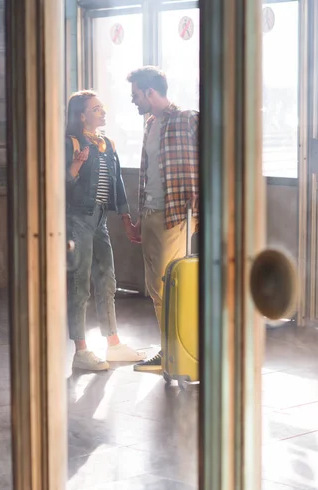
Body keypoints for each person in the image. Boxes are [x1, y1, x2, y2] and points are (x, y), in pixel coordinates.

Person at [66, 90, 146, 371]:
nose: (102, 112)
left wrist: (126, 218)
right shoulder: (71, 142)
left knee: (107, 280)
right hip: (77, 218)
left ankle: (113, 343)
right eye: (96, 108)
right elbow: (58, 185)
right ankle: (80, 349)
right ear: (82, 115)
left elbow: (118, 183)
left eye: (102, 107)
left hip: (100, 219)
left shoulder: (107, 144)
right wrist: (75, 164)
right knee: (80, 284)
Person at [127, 67, 199, 372]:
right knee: (156, 288)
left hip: (175, 215)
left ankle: (178, 353)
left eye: (135, 95)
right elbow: (149, 175)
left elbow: (215, 155)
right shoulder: (150, 124)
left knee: (168, 284)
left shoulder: (187, 119)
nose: (133, 101)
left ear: (149, 92)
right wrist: (141, 217)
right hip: (152, 213)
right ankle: (170, 352)